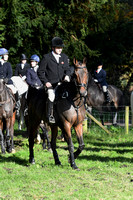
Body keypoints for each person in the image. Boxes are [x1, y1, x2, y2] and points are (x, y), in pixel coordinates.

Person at [38, 37, 71, 123]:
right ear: (53, 48)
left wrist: (67, 75)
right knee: (51, 96)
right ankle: (50, 115)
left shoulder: (64, 57)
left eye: (61, 48)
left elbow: (67, 69)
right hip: (51, 84)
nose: (60, 49)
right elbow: (40, 72)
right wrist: (46, 82)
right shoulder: (46, 57)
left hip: (63, 84)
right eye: (58, 48)